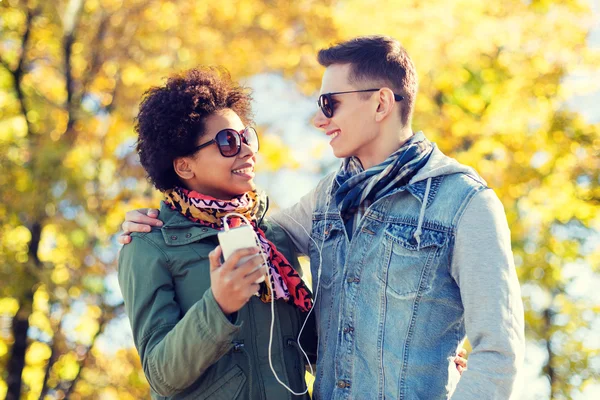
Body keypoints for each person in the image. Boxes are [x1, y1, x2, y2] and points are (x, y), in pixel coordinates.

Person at [118, 36, 508, 399]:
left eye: (330, 104)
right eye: (227, 142)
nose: (319, 120)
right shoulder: (321, 204)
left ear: (380, 104)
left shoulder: (465, 203)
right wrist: (152, 226)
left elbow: (498, 353)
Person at [117, 67, 317, 399]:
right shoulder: (148, 245)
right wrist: (219, 306)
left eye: (247, 137)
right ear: (184, 165)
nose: (247, 150)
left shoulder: (274, 238)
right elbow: (159, 375)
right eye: (228, 141)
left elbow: (314, 353)